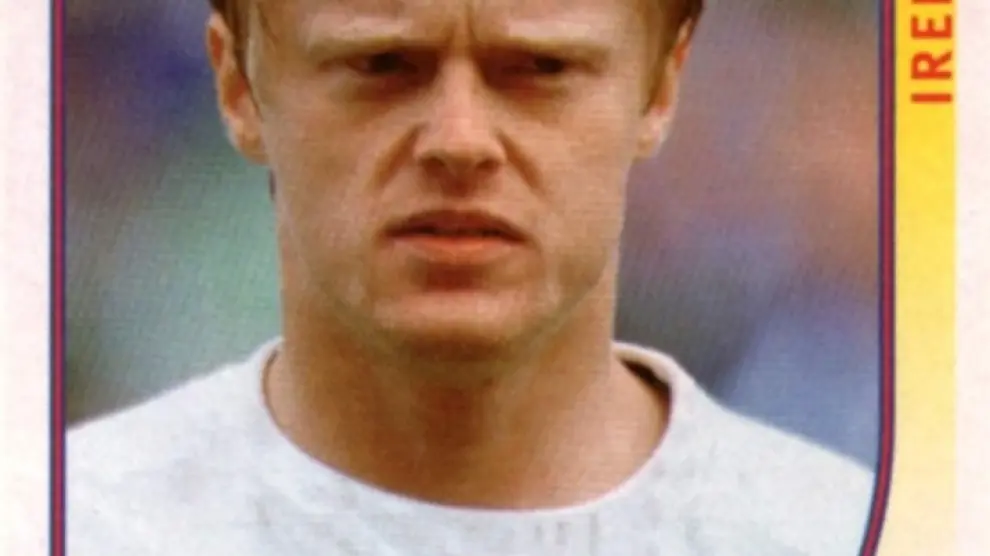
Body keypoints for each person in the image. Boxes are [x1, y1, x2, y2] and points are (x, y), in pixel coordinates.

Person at [68, 0, 876, 553]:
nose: (459, 140)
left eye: (542, 68)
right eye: (381, 64)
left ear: (661, 86)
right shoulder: (70, 526)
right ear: (238, 86)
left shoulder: (851, 533)